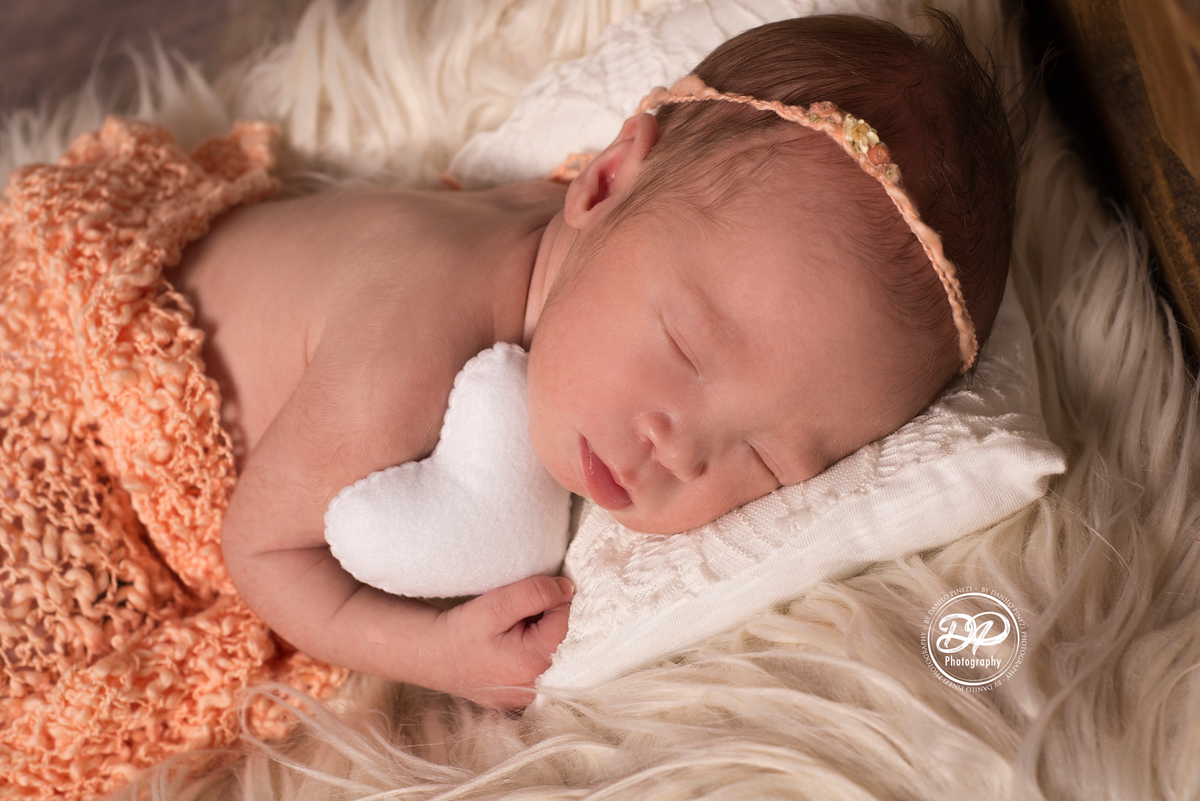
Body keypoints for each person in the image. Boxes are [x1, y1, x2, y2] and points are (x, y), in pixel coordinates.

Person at [179, 11, 1016, 709]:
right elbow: (259, 548)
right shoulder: (400, 355)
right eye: (685, 346)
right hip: (115, 395)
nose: (680, 449)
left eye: (765, 461)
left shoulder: (595, 252)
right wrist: (432, 651)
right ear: (604, 179)